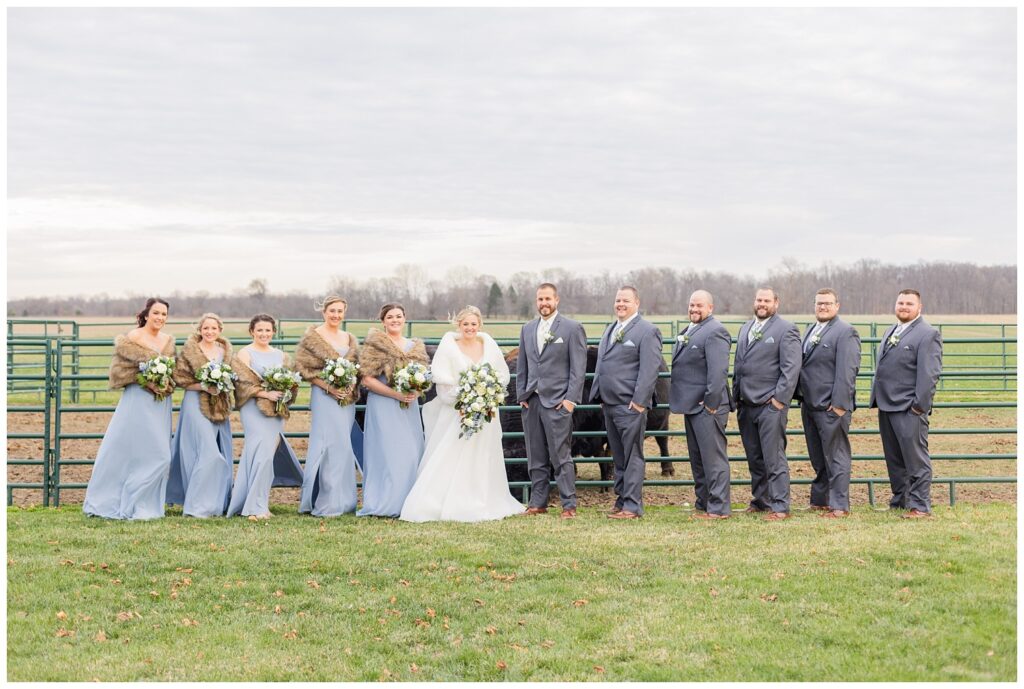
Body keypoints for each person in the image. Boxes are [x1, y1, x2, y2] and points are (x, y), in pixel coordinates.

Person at [400, 306, 525, 522]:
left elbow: (502, 376)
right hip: (456, 413)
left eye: (474, 324)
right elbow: (443, 383)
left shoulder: (488, 345)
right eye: (466, 324)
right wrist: (465, 401)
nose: (470, 328)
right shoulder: (449, 347)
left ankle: (483, 498)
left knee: (482, 454)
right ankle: (443, 502)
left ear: (479, 325)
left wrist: (487, 398)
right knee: (453, 454)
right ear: (459, 325)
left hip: (486, 412)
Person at [83, 297, 177, 520]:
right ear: (146, 315)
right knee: (127, 450)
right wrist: (146, 380)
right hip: (138, 399)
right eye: (156, 313)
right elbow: (119, 371)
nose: (160, 318)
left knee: (161, 455)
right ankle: (113, 501)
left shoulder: (168, 341)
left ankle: (144, 503)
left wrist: (164, 383)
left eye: (164, 314)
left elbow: (173, 371)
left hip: (160, 402)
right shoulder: (133, 338)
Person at [588, 286, 663, 519]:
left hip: (631, 405)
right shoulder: (610, 329)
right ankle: (621, 500)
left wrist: (640, 402)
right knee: (618, 456)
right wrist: (599, 395)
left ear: (637, 303)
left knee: (632, 456)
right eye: (618, 300)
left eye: (626, 300)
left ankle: (632, 505)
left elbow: (650, 370)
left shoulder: (647, 331)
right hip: (609, 404)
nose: (620, 304)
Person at [869, 289, 942, 518]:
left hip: (909, 407)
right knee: (894, 458)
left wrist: (919, 406)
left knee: (915, 458)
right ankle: (901, 499)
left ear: (919, 307)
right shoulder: (892, 330)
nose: (903, 306)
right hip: (887, 404)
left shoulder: (927, 334)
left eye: (909, 303)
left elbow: (929, 375)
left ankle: (920, 505)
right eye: (900, 302)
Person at [516, 283, 587, 519]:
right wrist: (522, 396)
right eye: (540, 299)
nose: (543, 303)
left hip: (558, 402)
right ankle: (538, 502)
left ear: (556, 300)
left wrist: (570, 401)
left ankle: (569, 504)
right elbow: (523, 366)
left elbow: (579, 369)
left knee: (560, 455)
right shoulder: (527, 329)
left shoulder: (571, 328)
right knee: (535, 454)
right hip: (532, 401)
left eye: (548, 299)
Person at [732, 287, 801, 521]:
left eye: (767, 300)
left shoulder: (786, 330)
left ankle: (780, 505)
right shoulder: (746, 328)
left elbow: (790, 369)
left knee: (774, 457)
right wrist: (736, 397)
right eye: (759, 299)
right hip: (746, 404)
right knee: (755, 456)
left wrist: (779, 401)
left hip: (770, 405)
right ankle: (761, 500)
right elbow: (739, 365)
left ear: (776, 303)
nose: (762, 304)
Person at [227, 314, 304, 519]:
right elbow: (242, 384)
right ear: (252, 331)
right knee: (258, 454)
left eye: (268, 330)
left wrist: (285, 393)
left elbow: (291, 382)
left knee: (267, 456)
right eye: (259, 330)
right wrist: (264, 393)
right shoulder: (245, 354)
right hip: (254, 409)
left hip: (275, 411)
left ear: (273, 332)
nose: (264, 334)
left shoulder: (281, 355)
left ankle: (258, 503)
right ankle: (253, 507)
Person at [357, 303, 429, 517]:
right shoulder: (375, 345)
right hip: (384, 405)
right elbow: (367, 379)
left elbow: (423, 377)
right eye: (390, 317)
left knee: (411, 452)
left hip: (409, 407)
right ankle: (387, 502)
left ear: (404, 319)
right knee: (387, 453)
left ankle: (410, 503)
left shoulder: (414, 346)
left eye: (398, 316)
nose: (395, 320)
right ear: (383, 321)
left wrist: (416, 390)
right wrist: (396, 394)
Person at [795, 289, 861, 518]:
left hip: (831, 406)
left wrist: (839, 405)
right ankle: (820, 500)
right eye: (819, 303)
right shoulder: (810, 330)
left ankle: (839, 504)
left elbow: (847, 370)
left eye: (827, 303)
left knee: (836, 455)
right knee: (818, 456)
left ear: (837, 305)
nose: (823, 307)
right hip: (810, 404)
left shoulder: (845, 332)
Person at [668, 290, 734, 519]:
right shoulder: (691, 330)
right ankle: (703, 502)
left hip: (708, 406)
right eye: (691, 305)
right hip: (691, 405)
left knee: (713, 458)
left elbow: (718, 372)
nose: (694, 309)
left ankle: (719, 507)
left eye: (699, 306)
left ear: (710, 308)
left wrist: (710, 403)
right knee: (698, 458)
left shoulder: (715, 331)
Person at [294, 296, 361, 517]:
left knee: (343, 445)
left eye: (340, 311)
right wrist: (330, 388)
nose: (336, 315)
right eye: (332, 311)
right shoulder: (312, 338)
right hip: (324, 397)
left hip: (346, 399)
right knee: (326, 445)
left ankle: (345, 501)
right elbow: (304, 369)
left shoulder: (349, 337)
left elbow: (356, 367)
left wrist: (351, 383)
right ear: (324, 312)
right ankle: (324, 500)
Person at [166, 313, 234, 517]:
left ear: (219, 330)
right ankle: (197, 505)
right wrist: (203, 385)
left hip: (219, 405)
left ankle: (215, 501)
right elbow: (179, 378)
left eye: (213, 328)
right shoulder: (190, 350)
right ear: (200, 329)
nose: (209, 332)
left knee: (219, 450)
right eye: (206, 328)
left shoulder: (226, 351)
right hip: (195, 403)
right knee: (207, 452)